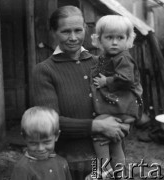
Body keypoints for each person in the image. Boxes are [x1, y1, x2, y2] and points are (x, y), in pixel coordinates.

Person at [32, 6, 134, 180]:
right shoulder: (45, 71)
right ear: (54, 32)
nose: (73, 37)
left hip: (112, 158)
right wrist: (96, 126)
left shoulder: (102, 62)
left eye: (78, 30)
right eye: (65, 31)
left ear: (86, 29)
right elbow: (50, 123)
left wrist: (123, 123)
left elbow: (124, 97)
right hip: (73, 164)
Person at [87, 15, 143, 179]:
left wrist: (106, 81)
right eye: (109, 37)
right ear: (99, 40)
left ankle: (102, 171)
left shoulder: (123, 57)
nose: (114, 42)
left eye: (120, 38)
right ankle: (119, 173)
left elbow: (127, 79)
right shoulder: (108, 57)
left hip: (124, 106)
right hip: (121, 106)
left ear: (127, 40)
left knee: (99, 131)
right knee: (115, 141)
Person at [11, 106, 72, 180]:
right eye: (33, 143)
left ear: (56, 136)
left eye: (46, 142)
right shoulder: (22, 169)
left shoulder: (62, 163)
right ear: (24, 138)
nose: (40, 148)